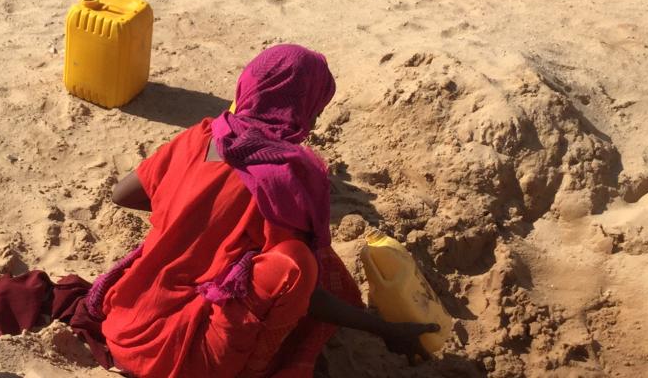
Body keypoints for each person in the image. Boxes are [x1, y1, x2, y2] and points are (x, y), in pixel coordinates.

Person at [97, 44, 439, 377]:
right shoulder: (281, 175)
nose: (315, 121)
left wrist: (188, 215)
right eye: (315, 108)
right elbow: (305, 294)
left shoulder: (199, 137)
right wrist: (383, 328)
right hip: (182, 360)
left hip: (124, 326)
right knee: (297, 263)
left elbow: (121, 194)